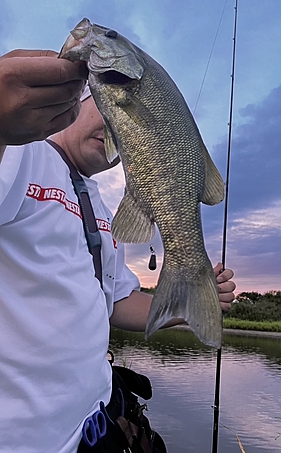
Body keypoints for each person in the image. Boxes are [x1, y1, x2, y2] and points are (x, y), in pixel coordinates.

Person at [0, 50, 236, 453]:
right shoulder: (20, 153)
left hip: (101, 427)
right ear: (80, 98)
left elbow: (117, 300)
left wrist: (188, 302)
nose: (110, 126)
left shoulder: (103, 209)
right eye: (104, 112)